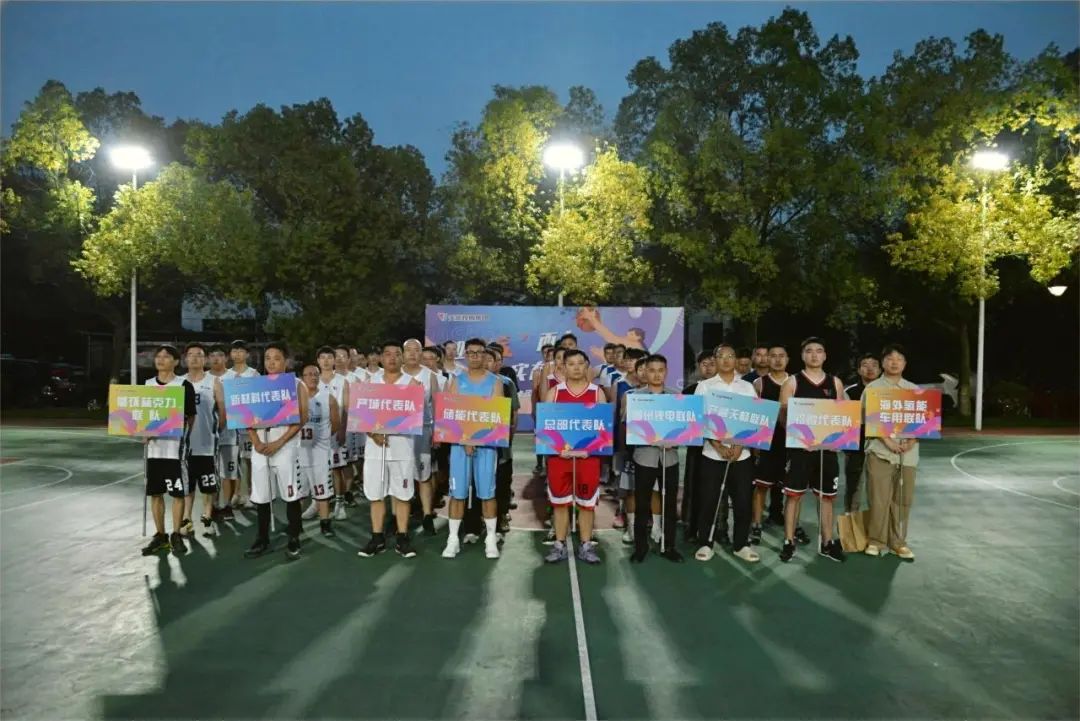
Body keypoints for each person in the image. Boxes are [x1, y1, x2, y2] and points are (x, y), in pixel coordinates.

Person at [778, 337, 847, 563]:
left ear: (825, 355)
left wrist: (834, 439)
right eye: (809, 351)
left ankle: (827, 542)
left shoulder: (835, 383)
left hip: (826, 451)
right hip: (800, 451)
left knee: (827, 498)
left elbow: (841, 416)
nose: (814, 355)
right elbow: (783, 417)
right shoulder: (792, 382)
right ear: (802, 355)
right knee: (793, 496)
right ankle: (789, 541)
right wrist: (802, 438)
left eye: (819, 351)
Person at [694, 344, 760, 563]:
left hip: (742, 455)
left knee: (742, 501)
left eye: (730, 356)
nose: (726, 360)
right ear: (715, 360)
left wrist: (739, 445)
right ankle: (706, 542)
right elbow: (699, 419)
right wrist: (718, 446)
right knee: (709, 500)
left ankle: (741, 544)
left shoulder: (747, 387)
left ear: (736, 359)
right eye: (721, 356)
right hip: (712, 454)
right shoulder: (705, 387)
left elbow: (753, 418)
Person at [244, 342, 309, 560]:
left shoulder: (297, 385)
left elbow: (302, 418)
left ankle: (294, 537)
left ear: (286, 361)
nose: (271, 362)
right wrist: (256, 441)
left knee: (291, 494)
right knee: (261, 495)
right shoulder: (256, 385)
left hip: (285, 447)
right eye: (268, 358)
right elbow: (246, 417)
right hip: (260, 448)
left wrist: (279, 442)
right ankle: (261, 538)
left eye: (277, 358)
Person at [357, 341, 422, 559]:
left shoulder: (412, 384)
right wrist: (372, 432)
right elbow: (361, 415)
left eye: (396, 354)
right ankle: (377, 538)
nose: (392, 358)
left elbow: (414, 417)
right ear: (381, 358)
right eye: (387, 354)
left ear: (402, 358)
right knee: (375, 495)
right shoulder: (369, 383)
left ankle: (402, 537)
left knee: (402, 495)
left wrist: (393, 427)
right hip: (375, 450)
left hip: (402, 449)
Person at [542, 349, 606, 565]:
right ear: (563, 367)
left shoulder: (597, 393)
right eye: (571, 364)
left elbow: (604, 428)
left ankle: (586, 545)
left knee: (587, 503)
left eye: (581, 363)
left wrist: (590, 448)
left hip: (588, 458)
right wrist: (558, 447)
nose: (576, 367)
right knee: (560, 502)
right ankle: (559, 544)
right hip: (560, 458)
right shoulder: (554, 393)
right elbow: (546, 427)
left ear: (587, 366)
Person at [441, 338, 503, 560]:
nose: (475, 356)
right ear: (465, 355)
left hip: (486, 446)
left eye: (479, 352)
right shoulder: (456, 381)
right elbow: (451, 415)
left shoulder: (495, 382)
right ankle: (453, 539)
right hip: (460, 445)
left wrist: (476, 439)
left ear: (485, 355)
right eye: (471, 352)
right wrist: (465, 439)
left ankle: (490, 539)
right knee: (457, 493)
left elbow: (496, 416)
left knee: (487, 493)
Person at [622, 354, 683, 563]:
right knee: (642, 503)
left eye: (660, 370)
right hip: (644, 457)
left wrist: (675, 440)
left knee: (669, 503)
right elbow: (629, 427)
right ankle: (641, 547)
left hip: (670, 458)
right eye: (652, 370)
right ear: (645, 372)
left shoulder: (677, 397)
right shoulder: (635, 397)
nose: (656, 375)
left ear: (666, 372)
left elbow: (686, 429)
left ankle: (669, 546)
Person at [140, 345, 198, 556]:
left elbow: (191, 416)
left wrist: (180, 433)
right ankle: (161, 536)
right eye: (158, 356)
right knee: (155, 494)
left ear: (175, 362)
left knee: (177, 493)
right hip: (154, 451)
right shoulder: (147, 385)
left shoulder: (183, 386)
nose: (161, 359)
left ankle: (176, 534)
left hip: (175, 450)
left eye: (166, 356)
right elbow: (140, 415)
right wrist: (143, 431)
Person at [863, 344, 920, 560]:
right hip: (880, 453)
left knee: (903, 499)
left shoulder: (914, 390)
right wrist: (887, 441)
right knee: (878, 499)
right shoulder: (873, 388)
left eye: (899, 359)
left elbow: (923, 422)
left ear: (905, 363)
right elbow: (867, 418)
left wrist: (912, 440)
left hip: (908, 455)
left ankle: (898, 542)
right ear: (883, 363)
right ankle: (876, 541)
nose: (894, 362)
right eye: (890, 358)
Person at [180, 342, 226, 532]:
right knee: (187, 483)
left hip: (207, 443)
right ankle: (186, 518)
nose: (194, 358)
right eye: (190, 354)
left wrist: (216, 432)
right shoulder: (179, 382)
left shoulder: (214, 381)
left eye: (199, 354)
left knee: (208, 483)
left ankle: (207, 515)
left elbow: (223, 411)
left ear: (205, 359)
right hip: (185, 444)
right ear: (185, 359)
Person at [750, 344, 791, 544]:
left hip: (789, 442)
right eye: (773, 356)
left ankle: (787, 522)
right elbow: (754, 414)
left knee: (788, 486)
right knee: (761, 486)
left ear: (788, 359)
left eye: (781, 356)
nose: (777, 359)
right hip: (766, 442)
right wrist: (755, 445)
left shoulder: (795, 382)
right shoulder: (759, 383)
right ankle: (756, 524)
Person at [403, 338, 440, 535]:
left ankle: (427, 515)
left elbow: (438, 406)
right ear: (403, 353)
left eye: (416, 350)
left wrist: (437, 432)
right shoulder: (394, 375)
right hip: (399, 433)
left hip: (422, 430)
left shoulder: (429, 376)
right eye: (408, 350)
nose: (412, 353)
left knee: (423, 475)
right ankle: (400, 516)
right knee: (401, 474)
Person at [298, 362, 339, 537]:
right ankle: (295, 525)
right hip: (299, 452)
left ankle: (325, 523)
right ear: (302, 378)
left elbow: (335, 424)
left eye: (315, 374)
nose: (313, 377)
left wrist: (322, 438)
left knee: (322, 491)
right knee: (299, 492)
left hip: (320, 452)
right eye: (308, 374)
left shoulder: (328, 398)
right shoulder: (294, 398)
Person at [680, 350, 717, 542]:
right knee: (693, 487)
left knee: (717, 490)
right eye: (704, 364)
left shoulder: (726, 392)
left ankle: (719, 529)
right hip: (696, 448)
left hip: (720, 449)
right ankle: (690, 526)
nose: (708, 368)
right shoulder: (689, 391)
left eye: (712, 363)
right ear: (698, 367)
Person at [486, 345, 519, 537]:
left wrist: (509, 437)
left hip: (501, 444)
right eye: (487, 359)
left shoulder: (507, 383)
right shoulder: (469, 383)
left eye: (495, 360)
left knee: (502, 482)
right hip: (479, 445)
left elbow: (514, 414)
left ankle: (502, 516)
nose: (490, 363)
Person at [843, 353, 882, 513]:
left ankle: (877, 526)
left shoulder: (889, 392)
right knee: (853, 489)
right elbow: (845, 422)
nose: (870, 368)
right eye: (865, 365)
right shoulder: (850, 392)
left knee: (879, 490)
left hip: (882, 448)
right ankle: (850, 524)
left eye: (874, 365)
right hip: (855, 448)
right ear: (859, 370)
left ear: (880, 370)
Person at [317, 346, 352, 520]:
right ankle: (317, 503)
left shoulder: (342, 381)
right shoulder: (312, 380)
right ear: (318, 361)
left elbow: (346, 408)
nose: (326, 361)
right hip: (317, 433)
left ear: (333, 360)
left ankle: (340, 503)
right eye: (322, 357)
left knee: (337, 468)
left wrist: (342, 430)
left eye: (329, 357)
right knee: (319, 469)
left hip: (335, 431)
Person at [207, 344, 240, 521]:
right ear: (208, 359)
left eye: (219, 355)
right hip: (208, 435)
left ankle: (227, 506)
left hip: (230, 434)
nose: (216, 358)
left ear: (226, 358)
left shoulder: (234, 377)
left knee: (229, 472)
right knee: (211, 473)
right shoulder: (204, 378)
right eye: (212, 355)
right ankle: (212, 505)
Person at [225, 340, 260, 508]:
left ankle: (252, 493)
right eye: (234, 351)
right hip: (230, 426)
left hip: (248, 425)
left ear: (247, 354)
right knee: (234, 460)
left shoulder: (254, 374)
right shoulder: (226, 375)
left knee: (249, 460)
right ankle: (237, 493)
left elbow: (258, 399)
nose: (237, 354)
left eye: (241, 351)